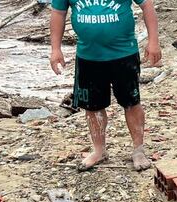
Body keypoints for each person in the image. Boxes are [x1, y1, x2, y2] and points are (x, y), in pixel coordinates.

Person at [50, 0, 161, 171]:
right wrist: (55, 49)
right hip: (88, 56)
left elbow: (147, 4)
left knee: (131, 102)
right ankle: (99, 150)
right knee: (93, 107)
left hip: (124, 53)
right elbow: (58, 13)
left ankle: (138, 150)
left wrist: (153, 42)